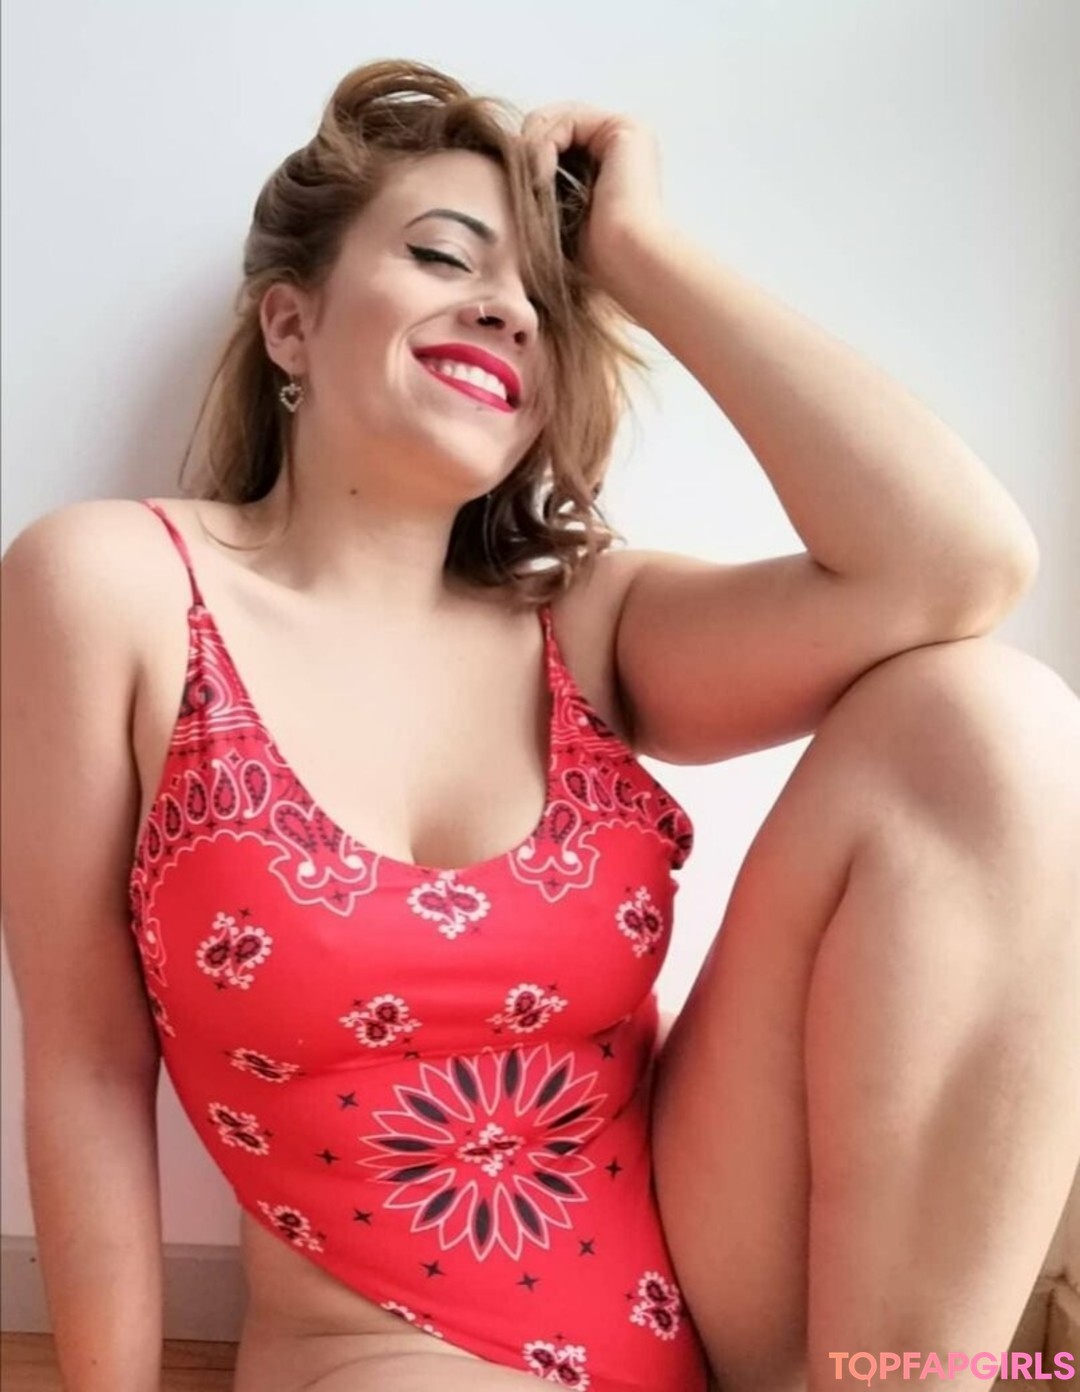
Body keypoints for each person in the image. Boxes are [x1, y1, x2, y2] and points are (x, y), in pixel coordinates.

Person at [2, 55, 1078, 1392]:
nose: (504, 308)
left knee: (989, 721)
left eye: (542, 303)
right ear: (291, 324)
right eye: (444, 256)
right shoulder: (114, 588)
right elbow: (85, 1067)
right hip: (394, 1345)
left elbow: (958, 567)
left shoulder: (589, 619)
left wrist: (642, 254)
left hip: (715, 1273)